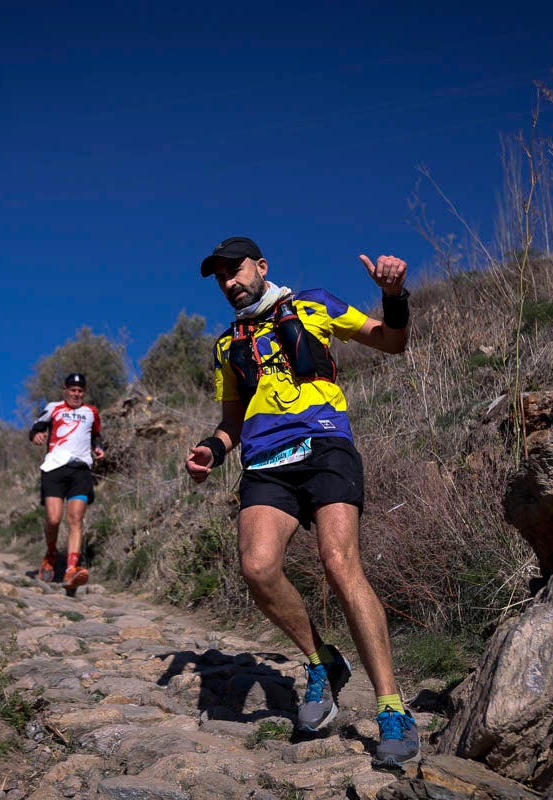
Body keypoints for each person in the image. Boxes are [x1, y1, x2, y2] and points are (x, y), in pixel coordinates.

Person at [183, 236, 418, 768]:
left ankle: (391, 708)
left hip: (325, 445)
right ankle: (321, 661)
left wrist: (394, 296)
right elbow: (232, 420)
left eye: (235, 270)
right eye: (220, 277)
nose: (229, 282)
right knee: (258, 568)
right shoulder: (226, 344)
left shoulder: (315, 304)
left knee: (340, 564)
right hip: (265, 461)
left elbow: (391, 341)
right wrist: (211, 450)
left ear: (261, 266)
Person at [28, 372, 105, 592]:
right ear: (65, 390)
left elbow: (96, 435)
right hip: (54, 468)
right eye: (73, 390)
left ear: (84, 392)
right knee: (53, 519)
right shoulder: (53, 408)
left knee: (75, 519)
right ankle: (50, 554)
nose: (76, 394)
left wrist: (98, 447)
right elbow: (36, 427)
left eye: (80, 391)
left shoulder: (91, 412)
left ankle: (71, 569)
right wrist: (36, 435)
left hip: (80, 470)